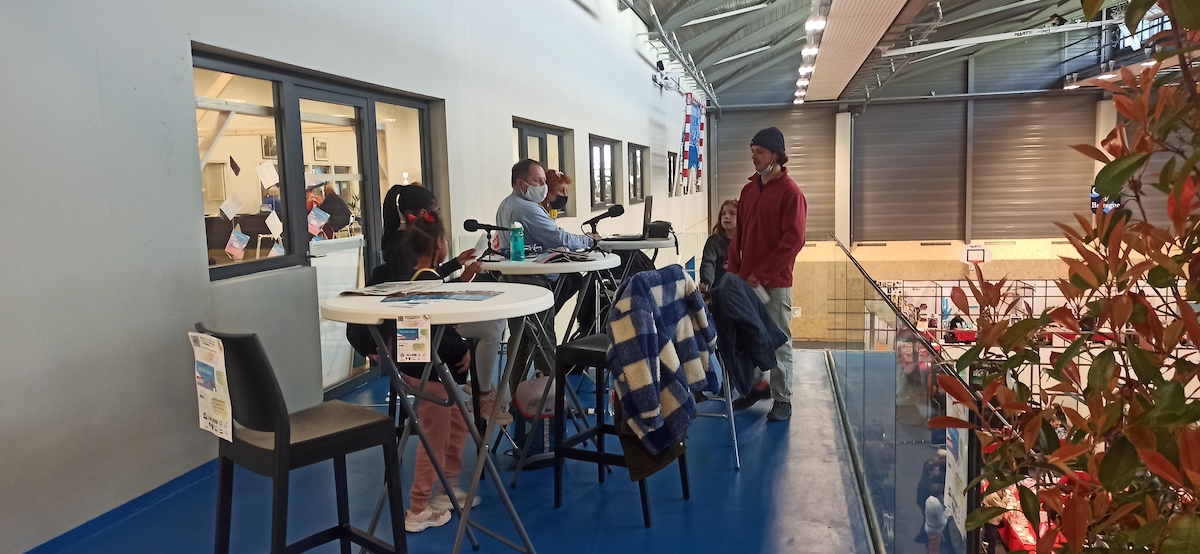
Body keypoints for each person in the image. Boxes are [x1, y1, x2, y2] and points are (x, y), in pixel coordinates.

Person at [378, 184, 509, 422]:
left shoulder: (402, 247)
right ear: (437, 243)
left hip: (416, 328)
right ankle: (481, 394)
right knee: (492, 326)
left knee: (492, 323)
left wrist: (458, 266)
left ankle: (480, 388)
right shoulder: (406, 252)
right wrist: (462, 349)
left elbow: (429, 283)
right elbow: (428, 296)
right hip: (417, 336)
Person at [727, 127, 807, 422]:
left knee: (779, 341)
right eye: (752, 152)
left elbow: (793, 242)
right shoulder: (748, 191)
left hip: (774, 283)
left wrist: (761, 274)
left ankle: (782, 398)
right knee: (749, 336)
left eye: (759, 152)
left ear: (776, 155)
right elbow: (739, 237)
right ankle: (757, 386)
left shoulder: (791, 193)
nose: (754, 157)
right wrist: (734, 273)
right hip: (747, 283)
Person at [699, 199, 737, 294]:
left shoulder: (746, 241)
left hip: (741, 291)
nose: (726, 216)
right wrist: (706, 281)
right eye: (723, 213)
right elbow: (708, 262)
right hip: (719, 292)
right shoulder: (713, 241)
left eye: (732, 213)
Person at [923, 482, 949, 554]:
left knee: (930, 547)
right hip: (935, 531)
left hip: (928, 527)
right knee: (934, 551)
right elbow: (942, 522)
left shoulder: (929, 499)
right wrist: (946, 516)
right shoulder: (937, 506)